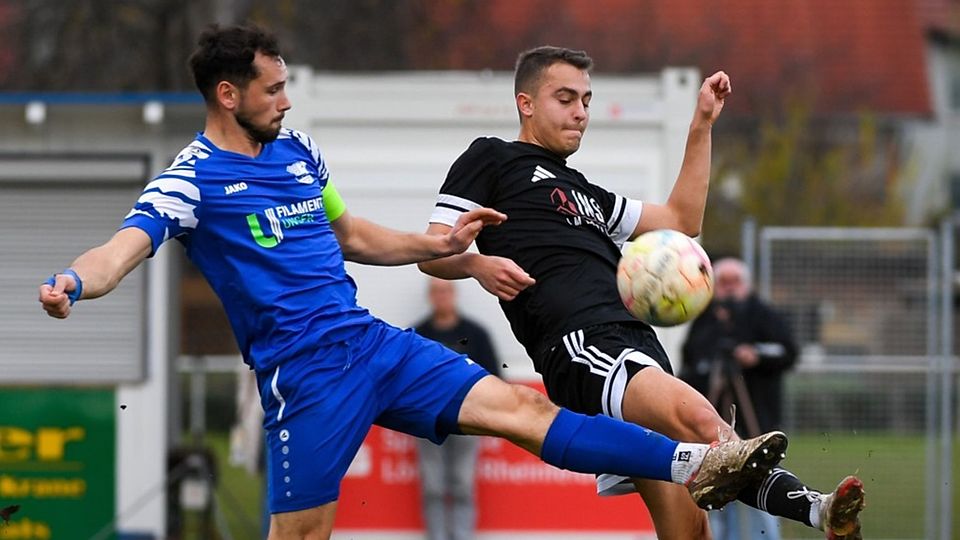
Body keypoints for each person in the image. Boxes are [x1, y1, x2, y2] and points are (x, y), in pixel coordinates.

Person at [38, 26, 789, 540]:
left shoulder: (298, 150)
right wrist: (76, 279)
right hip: (305, 376)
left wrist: (444, 244)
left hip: (372, 344)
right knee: (302, 534)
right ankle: (699, 460)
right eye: (272, 89)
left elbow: (354, 236)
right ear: (229, 96)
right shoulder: (192, 180)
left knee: (517, 414)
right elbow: (122, 248)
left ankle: (700, 460)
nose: (287, 101)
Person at [419, 46, 865, 540]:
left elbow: (681, 221)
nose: (581, 112)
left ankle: (818, 512)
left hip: (635, 341)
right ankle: (815, 509)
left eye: (587, 100)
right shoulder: (493, 158)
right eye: (565, 98)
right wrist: (478, 264)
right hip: (582, 341)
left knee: (689, 529)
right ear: (526, 103)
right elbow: (431, 250)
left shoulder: (584, 191)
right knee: (699, 419)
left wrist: (702, 125)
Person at [681, 257, 800, 540]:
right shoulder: (704, 319)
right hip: (715, 427)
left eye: (735, 282)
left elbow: (788, 352)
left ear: (747, 285)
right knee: (719, 497)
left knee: (763, 492)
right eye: (723, 283)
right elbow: (689, 362)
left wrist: (754, 356)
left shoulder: (764, 316)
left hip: (757, 421)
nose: (729, 289)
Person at [414, 278, 500, 540]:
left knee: (462, 484)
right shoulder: (417, 335)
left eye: (446, 291)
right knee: (433, 487)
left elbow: (494, 378)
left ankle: (462, 535)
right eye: (436, 292)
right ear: (431, 296)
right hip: (429, 423)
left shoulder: (476, 334)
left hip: (468, 422)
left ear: (454, 294)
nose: (442, 296)